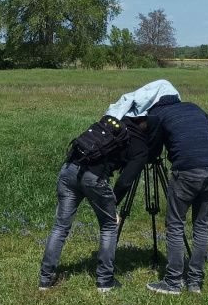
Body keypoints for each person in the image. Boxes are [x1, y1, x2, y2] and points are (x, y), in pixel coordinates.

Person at [38, 113, 154, 292]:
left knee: (60, 226)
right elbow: (125, 181)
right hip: (95, 178)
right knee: (108, 225)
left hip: (69, 168)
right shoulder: (141, 147)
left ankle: (45, 279)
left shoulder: (111, 124)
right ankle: (105, 281)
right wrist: (113, 204)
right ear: (147, 126)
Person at [145, 94, 208, 296]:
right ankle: (195, 282)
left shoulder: (156, 113)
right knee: (202, 226)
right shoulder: (194, 106)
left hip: (186, 171)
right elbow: (206, 123)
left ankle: (173, 282)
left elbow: (153, 146)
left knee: (176, 225)